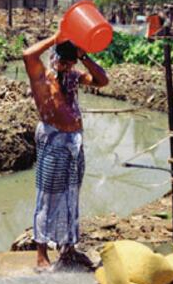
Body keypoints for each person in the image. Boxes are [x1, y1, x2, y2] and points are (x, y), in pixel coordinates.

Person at [23, 30, 109, 270]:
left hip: (74, 142)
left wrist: (84, 57)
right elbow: (27, 54)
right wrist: (56, 37)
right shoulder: (42, 77)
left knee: (71, 195)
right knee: (47, 197)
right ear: (53, 56)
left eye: (69, 61)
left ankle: (68, 248)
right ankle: (41, 252)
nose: (65, 65)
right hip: (53, 140)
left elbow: (102, 81)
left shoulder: (73, 76)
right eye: (62, 59)